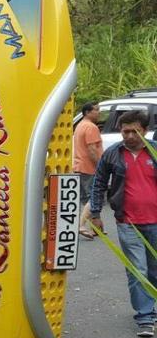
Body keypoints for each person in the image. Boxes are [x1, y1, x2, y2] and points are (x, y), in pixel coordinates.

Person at [90, 109, 157, 338]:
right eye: (124, 131)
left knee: (154, 269)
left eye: (133, 131)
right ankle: (145, 317)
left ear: (144, 130)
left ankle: (151, 306)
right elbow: (98, 183)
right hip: (127, 221)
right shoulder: (113, 154)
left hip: (155, 222)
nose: (128, 136)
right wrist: (95, 213)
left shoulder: (155, 152)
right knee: (138, 269)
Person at [74, 102, 103, 239]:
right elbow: (92, 149)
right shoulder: (91, 127)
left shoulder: (80, 125)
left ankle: (97, 226)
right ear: (87, 112)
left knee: (87, 198)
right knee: (94, 197)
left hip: (79, 165)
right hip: (89, 166)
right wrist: (100, 166)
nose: (99, 112)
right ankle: (80, 225)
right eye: (96, 110)